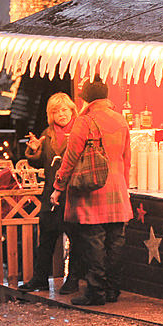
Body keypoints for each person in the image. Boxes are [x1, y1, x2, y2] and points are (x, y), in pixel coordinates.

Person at [51, 77, 132, 307]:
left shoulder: (84, 121)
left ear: (86, 97)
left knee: (94, 240)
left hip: (92, 189)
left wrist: (59, 187)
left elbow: (70, 158)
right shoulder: (120, 120)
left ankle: (95, 291)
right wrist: (124, 186)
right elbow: (127, 159)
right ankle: (112, 290)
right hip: (117, 188)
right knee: (116, 240)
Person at [19, 92, 84, 295]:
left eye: (64, 110)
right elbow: (40, 163)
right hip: (50, 195)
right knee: (46, 237)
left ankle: (73, 279)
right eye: (56, 111)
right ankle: (40, 279)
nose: (61, 114)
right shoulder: (47, 134)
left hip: (72, 193)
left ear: (72, 110)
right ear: (50, 115)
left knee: (75, 238)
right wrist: (35, 150)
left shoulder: (80, 131)